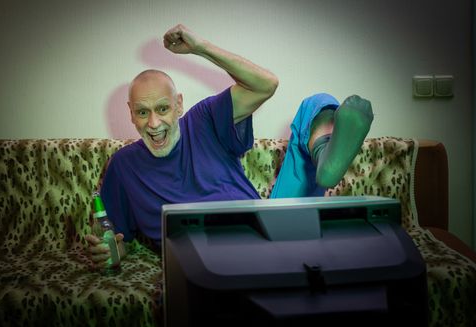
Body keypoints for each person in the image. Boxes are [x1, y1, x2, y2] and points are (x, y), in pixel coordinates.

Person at [86, 24, 373, 268]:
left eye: (162, 109)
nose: (154, 123)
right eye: (142, 112)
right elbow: (118, 239)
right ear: (130, 113)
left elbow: (265, 84)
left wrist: (200, 47)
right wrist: (113, 253)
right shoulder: (124, 166)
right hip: (202, 262)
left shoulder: (204, 119)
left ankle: (325, 160)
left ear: (179, 105)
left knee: (315, 103)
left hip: (265, 231)